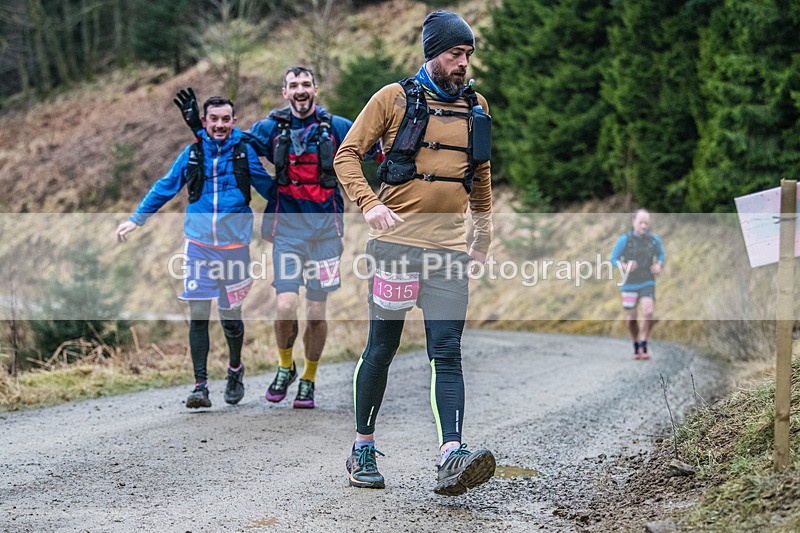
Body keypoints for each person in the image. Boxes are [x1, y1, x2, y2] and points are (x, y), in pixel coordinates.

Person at [333, 10, 495, 496]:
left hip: (448, 252)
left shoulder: (477, 106)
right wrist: (370, 204)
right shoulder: (393, 98)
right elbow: (346, 154)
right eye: (454, 54)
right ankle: (363, 446)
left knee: (446, 351)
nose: (463, 63)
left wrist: (482, 238)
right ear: (432, 53)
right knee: (382, 348)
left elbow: (481, 177)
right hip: (396, 248)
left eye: (467, 54)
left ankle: (452, 456)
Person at [175, 68, 380, 409]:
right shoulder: (271, 128)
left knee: (316, 311)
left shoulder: (337, 127)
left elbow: (372, 148)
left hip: (326, 232)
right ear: (284, 92)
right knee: (285, 305)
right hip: (287, 231)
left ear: (315, 89)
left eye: (305, 84)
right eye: (293, 85)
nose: (300, 90)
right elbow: (229, 140)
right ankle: (286, 367)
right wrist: (199, 127)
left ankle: (309, 378)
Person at [117, 96, 273, 408]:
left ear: (233, 121)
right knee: (198, 317)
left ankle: (234, 370)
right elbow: (165, 187)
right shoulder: (192, 154)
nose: (219, 124)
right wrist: (136, 219)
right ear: (204, 122)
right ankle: (200, 386)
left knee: (230, 319)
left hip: (234, 250)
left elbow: (271, 189)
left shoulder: (245, 153)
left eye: (225, 119)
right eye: (213, 119)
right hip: (199, 248)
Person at [610, 209, 666, 360]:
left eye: (646, 223)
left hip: (647, 280)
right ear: (633, 222)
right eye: (640, 222)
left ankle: (643, 343)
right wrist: (623, 266)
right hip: (629, 284)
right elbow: (613, 258)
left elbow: (661, 254)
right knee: (631, 319)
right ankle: (635, 344)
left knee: (648, 312)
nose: (643, 226)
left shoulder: (654, 240)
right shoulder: (625, 240)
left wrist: (659, 264)